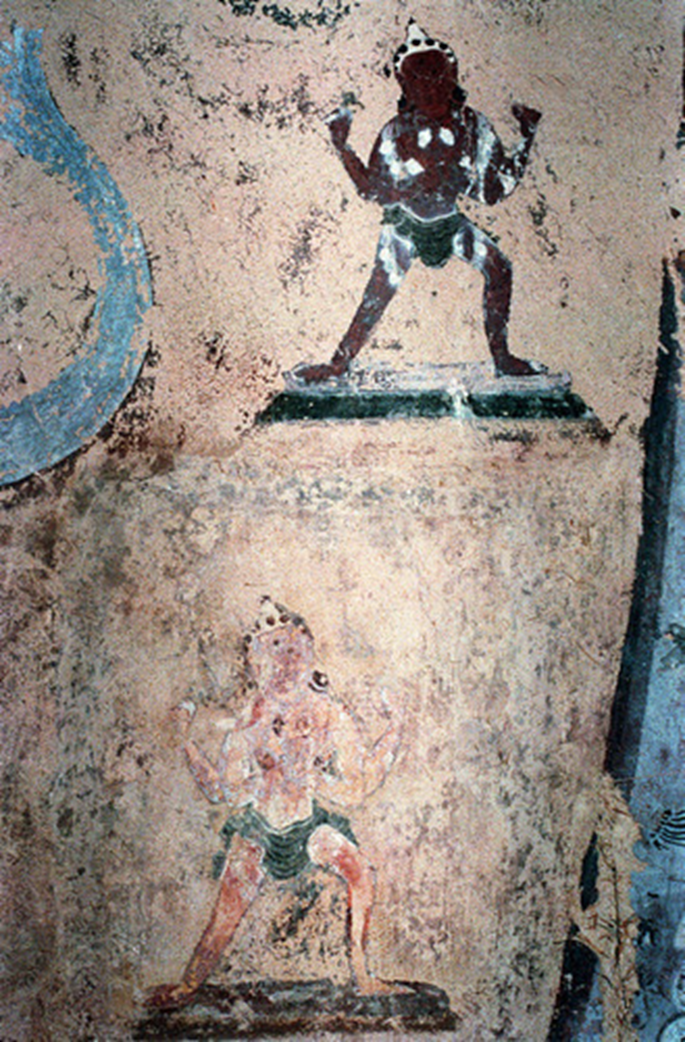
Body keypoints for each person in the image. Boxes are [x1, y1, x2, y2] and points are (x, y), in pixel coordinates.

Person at [146, 597, 403, 1009]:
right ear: (256, 661)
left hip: (309, 825)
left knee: (360, 872)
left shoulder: (329, 714)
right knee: (224, 916)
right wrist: (246, 770)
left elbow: (357, 787)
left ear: (309, 653)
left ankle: (364, 976)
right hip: (260, 829)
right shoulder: (251, 719)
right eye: (274, 651)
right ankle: (188, 986)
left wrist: (389, 732)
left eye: (294, 650)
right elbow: (223, 792)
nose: (285, 663)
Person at [296, 19, 543, 383]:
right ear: (404, 86)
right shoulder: (396, 132)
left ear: (452, 76)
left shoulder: (473, 127)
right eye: (418, 79)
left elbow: (492, 191)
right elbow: (373, 191)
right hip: (405, 227)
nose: (429, 87)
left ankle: (502, 358)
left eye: (436, 76)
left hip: (450, 223)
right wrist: (344, 148)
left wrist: (526, 140)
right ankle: (339, 363)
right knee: (378, 291)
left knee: (499, 269)